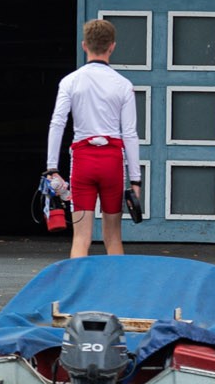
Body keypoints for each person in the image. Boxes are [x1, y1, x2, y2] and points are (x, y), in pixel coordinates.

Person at [45, 17, 142, 258]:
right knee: (113, 238)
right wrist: (136, 181)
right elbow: (130, 133)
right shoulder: (123, 84)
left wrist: (51, 167)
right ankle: (117, 293)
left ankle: (78, 293)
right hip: (112, 161)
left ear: (84, 45)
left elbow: (58, 122)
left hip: (83, 159)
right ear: (112, 46)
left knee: (81, 238)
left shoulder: (70, 81)